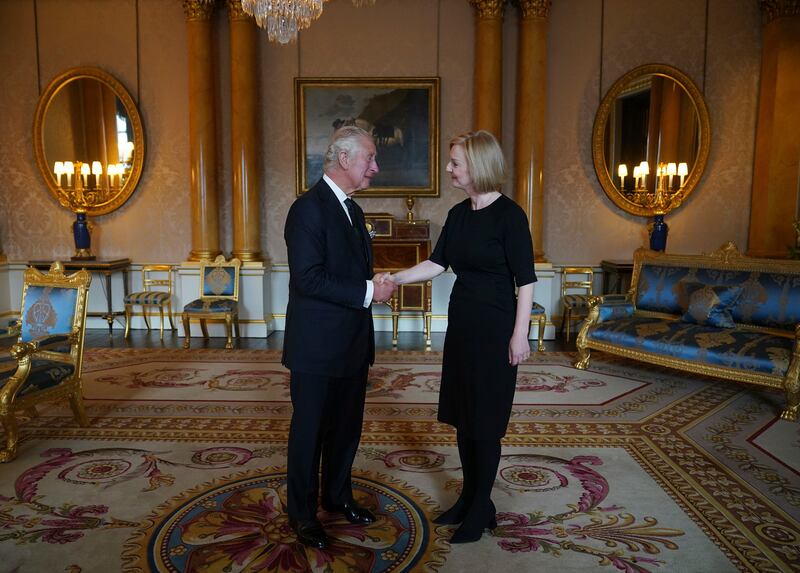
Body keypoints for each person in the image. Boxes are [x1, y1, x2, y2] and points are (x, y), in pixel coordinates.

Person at [379, 130, 536, 544]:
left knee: (485, 423)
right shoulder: (459, 214)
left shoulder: (511, 216)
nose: (449, 169)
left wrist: (520, 335)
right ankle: (470, 499)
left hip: (497, 329)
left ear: (477, 167)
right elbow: (436, 263)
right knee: (465, 419)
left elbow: (527, 280)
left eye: (455, 163)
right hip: (463, 328)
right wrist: (392, 278)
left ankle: (482, 506)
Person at [283, 125, 397, 549]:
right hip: (316, 347)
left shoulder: (354, 210)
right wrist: (369, 291)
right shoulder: (307, 209)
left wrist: (372, 285)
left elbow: (346, 275)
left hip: (352, 342)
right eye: (369, 158)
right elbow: (309, 279)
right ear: (344, 159)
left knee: (347, 428)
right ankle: (302, 513)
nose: (375, 167)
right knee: (310, 432)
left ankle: (337, 496)